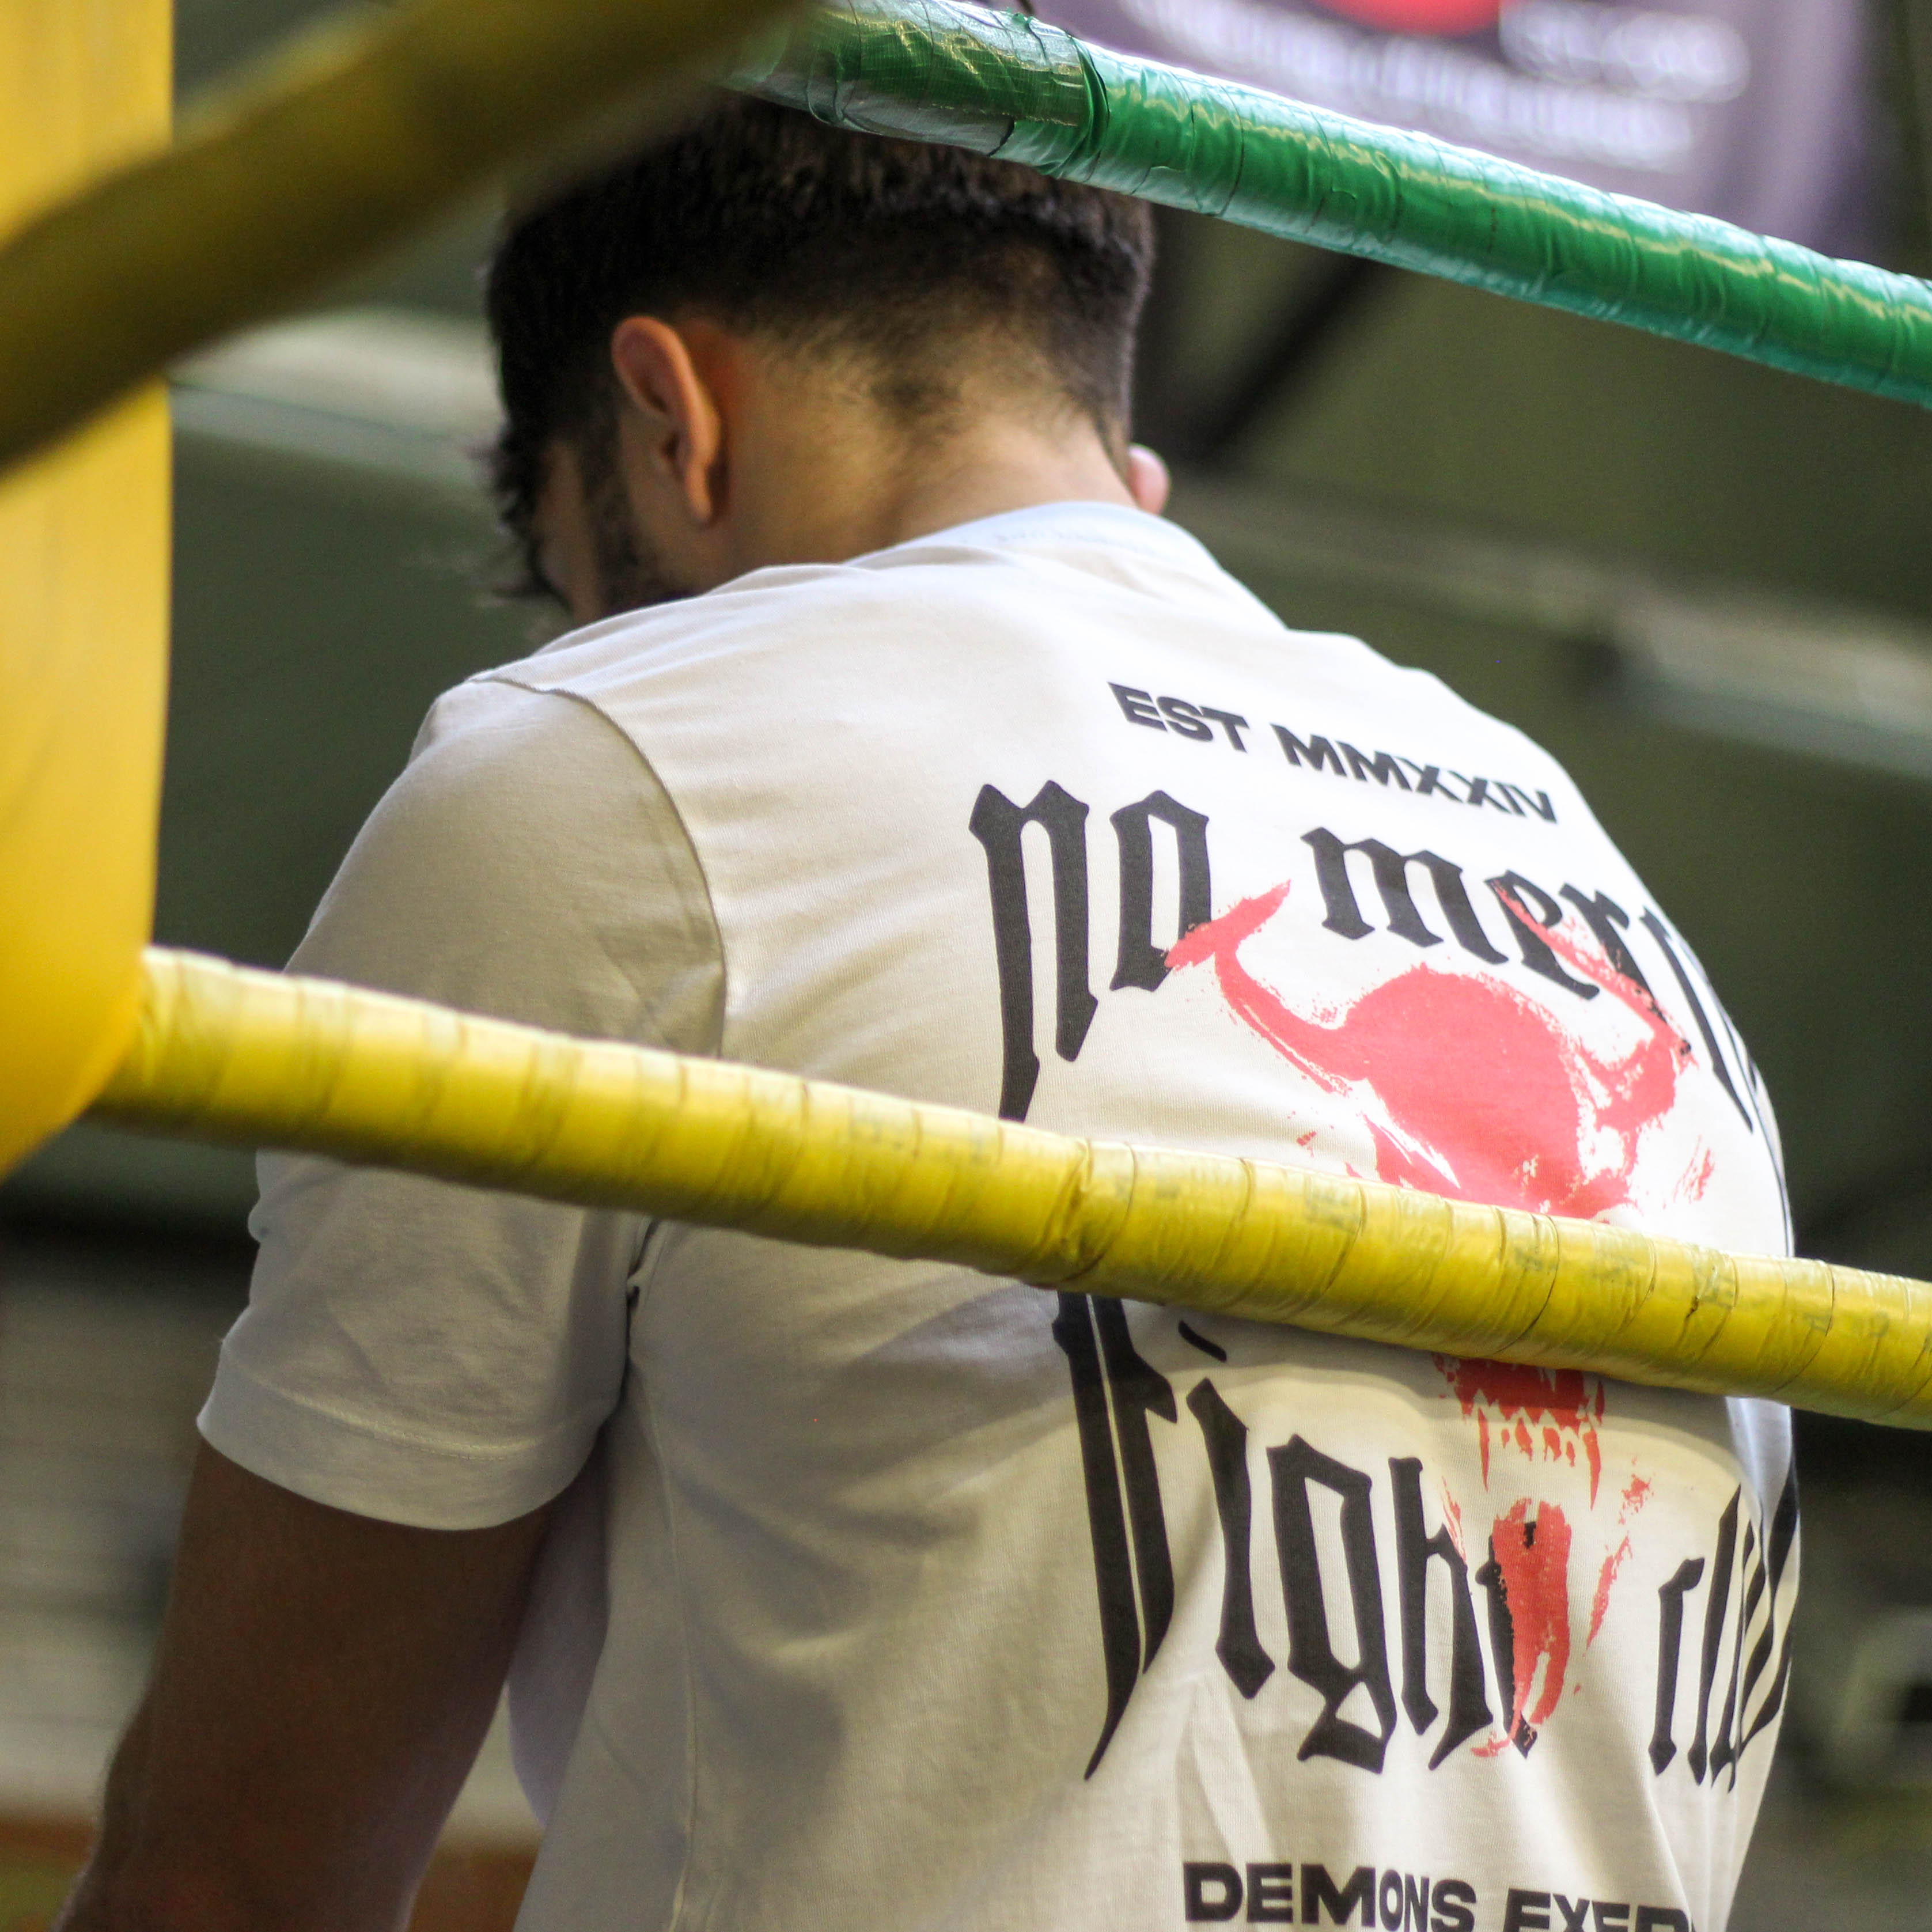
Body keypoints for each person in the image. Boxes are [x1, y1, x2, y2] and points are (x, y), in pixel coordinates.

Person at [62, 89, 1795, 1932]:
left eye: (577, 587)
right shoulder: (1589, 865)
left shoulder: (605, 758)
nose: (590, 646)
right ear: (1125, 471)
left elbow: (236, 1878)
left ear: (672, 423)